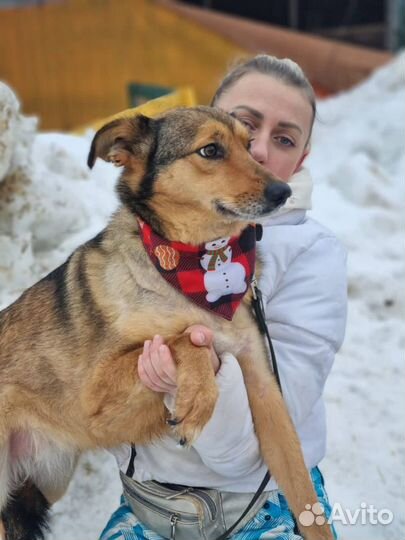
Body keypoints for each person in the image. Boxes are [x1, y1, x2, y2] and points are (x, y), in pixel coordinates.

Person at [99, 55, 347, 540]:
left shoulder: (313, 255)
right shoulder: (140, 241)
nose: (255, 154)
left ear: (301, 160)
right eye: (241, 130)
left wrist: (202, 369)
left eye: (284, 139)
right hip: (150, 508)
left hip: (267, 507)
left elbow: (254, 450)